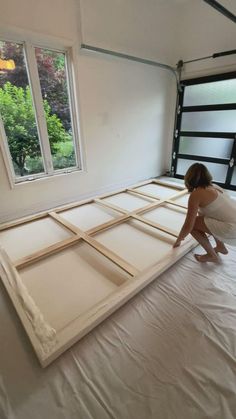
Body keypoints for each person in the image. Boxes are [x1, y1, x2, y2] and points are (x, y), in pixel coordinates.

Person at [173, 163, 236, 262]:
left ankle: (212, 255)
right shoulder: (214, 186)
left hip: (232, 228)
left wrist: (179, 240)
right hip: (232, 223)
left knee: (194, 225)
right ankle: (220, 247)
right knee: (205, 220)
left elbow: (189, 224)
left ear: (189, 178)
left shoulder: (197, 194)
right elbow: (203, 216)